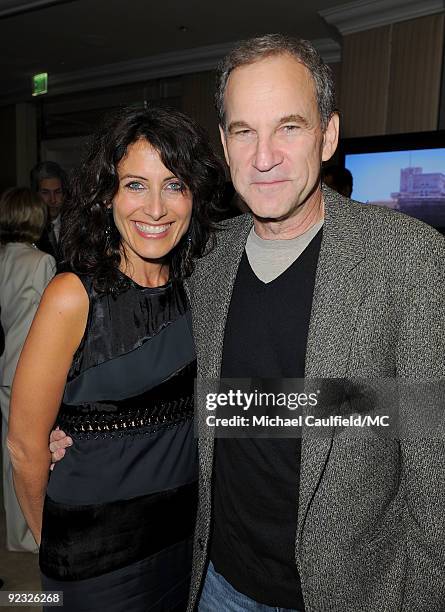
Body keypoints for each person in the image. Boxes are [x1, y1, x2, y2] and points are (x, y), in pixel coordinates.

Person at [51, 35, 445, 612]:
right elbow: (194, 387)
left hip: (351, 592)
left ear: (328, 135)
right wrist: (83, 433)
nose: (264, 157)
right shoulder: (205, 255)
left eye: (288, 126)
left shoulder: (410, 258)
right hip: (217, 582)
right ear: (225, 146)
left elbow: (432, 466)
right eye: (244, 131)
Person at [8, 106, 225, 612]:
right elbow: (23, 445)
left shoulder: (201, 288)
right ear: (108, 195)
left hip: (183, 542)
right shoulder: (72, 295)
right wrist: (54, 545)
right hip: (92, 556)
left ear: (194, 195)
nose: (155, 208)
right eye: (134, 184)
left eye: (173, 185)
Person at [0, 187, 56, 553]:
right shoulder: (41, 263)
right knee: (36, 454)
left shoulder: (2, 257)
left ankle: (17, 535)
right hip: (32, 371)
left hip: (5, 366)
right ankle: (34, 534)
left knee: (11, 455)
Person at [30, 161, 68, 265]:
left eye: (57, 192)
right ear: (36, 195)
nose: (52, 200)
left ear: (64, 194)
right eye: (45, 193)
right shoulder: (27, 229)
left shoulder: (74, 224)